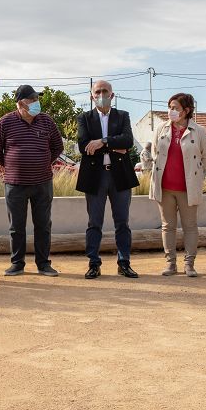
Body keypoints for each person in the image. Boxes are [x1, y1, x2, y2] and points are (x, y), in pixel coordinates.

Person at [0, 85, 64, 277]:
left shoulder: (46, 121)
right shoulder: (5, 122)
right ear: (21, 103)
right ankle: (17, 263)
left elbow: (57, 146)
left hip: (42, 183)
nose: (37, 103)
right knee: (16, 227)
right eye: (33, 100)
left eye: (37, 99)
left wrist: (44, 162)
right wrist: (12, 165)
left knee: (43, 225)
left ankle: (44, 264)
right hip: (15, 185)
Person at [75, 80, 140, 279]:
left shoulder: (123, 116)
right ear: (91, 96)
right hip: (95, 176)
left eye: (105, 91)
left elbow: (128, 141)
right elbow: (84, 146)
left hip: (119, 174)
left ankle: (124, 262)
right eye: (97, 91)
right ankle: (94, 263)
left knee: (122, 222)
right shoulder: (84, 118)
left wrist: (102, 141)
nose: (101, 94)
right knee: (94, 222)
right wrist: (114, 144)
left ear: (112, 95)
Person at [149, 94, 206, 277]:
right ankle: (171, 263)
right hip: (165, 186)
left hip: (188, 187)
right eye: (170, 107)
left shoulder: (199, 131)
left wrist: (197, 176)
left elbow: (205, 157)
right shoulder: (161, 128)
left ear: (187, 110)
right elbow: (154, 153)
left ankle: (189, 264)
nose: (171, 111)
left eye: (175, 108)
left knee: (190, 226)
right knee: (167, 226)